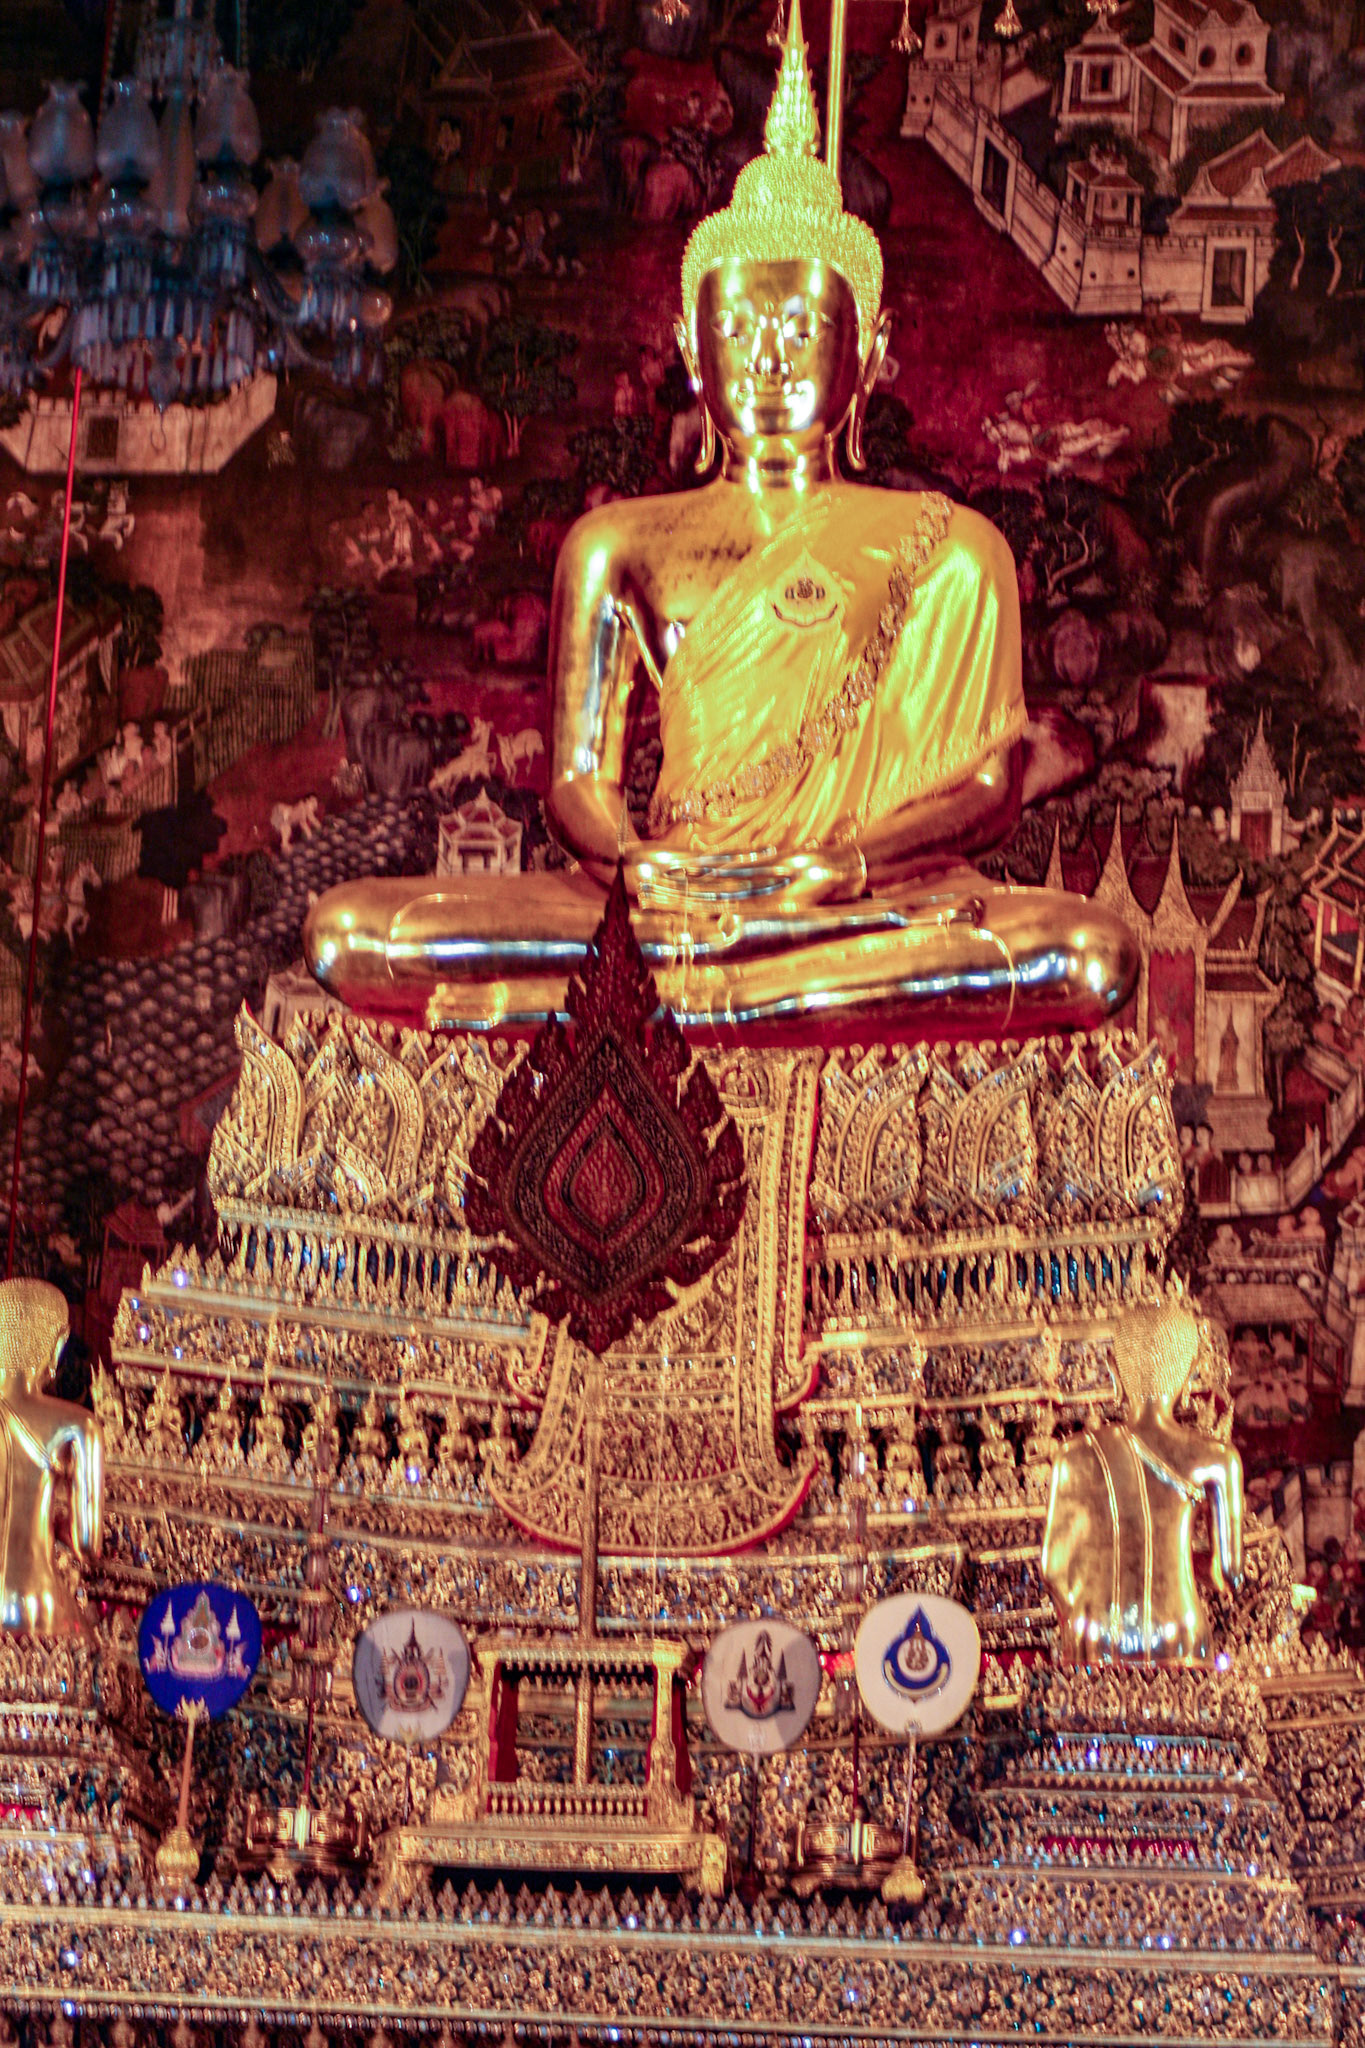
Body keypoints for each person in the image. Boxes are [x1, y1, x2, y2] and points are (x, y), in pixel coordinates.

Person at [305, 0, 1135, 1038]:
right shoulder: (617, 545)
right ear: (693, 352)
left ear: (870, 353)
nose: (768, 354)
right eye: (738, 326)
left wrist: (835, 868)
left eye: (801, 324)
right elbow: (578, 783)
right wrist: (638, 861)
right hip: (667, 903)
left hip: (860, 905)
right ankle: (742, 995)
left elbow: (988, 784)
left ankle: (689, 1001)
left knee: (1083, 952)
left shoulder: (951, 549)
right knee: (357, 932)